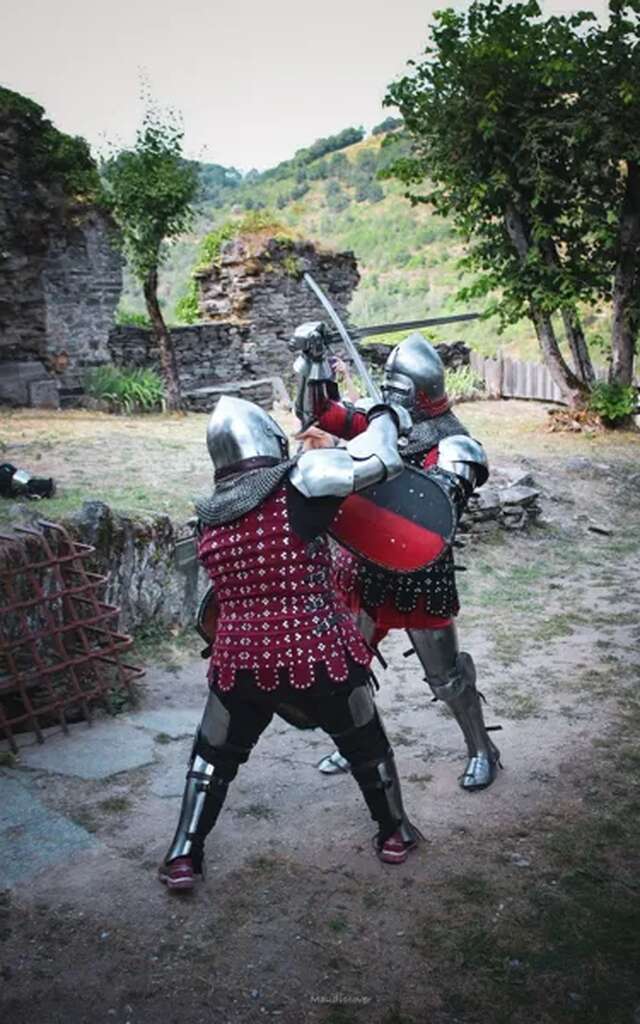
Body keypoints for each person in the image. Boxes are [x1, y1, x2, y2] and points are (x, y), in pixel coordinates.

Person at [159, 395, 420, 892]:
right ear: (271, 440)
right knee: (365, 744)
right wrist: (384, 414)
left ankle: (183, 855)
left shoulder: (210, 514)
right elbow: (383, 460)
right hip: (316, 650)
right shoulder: (301, 479)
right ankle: (395, 833)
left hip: (240, 661)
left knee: (211, 757)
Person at [292, 326, 501, 791]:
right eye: (386, 390)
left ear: (423, 396)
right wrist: (315, 361)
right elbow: (319, 414)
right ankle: (355, 746)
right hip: (366, 572)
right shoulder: (384, 421)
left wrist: (381, 456)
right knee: (350, 668)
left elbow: (432, 511)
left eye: (398, 392)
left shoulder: (456, 446)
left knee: (446, 679)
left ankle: (482, 748)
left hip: (421, 578)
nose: (389, 398)